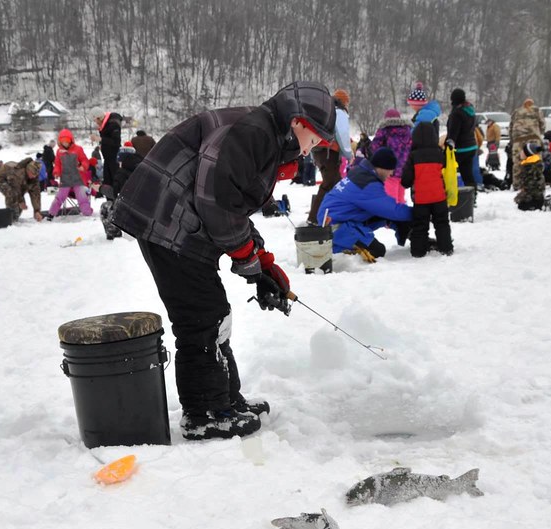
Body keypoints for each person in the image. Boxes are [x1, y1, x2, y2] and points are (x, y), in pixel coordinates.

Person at [109, 81, 335, 440]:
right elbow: (217, 203)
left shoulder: (266, 134)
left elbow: (235, 207)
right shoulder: (255, 133)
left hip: (180, 225)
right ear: (299, 121)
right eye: (318, 136)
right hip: (166, 223)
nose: (316, 147)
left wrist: (263, 263)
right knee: (201, 317)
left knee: (215, 315)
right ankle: (205, 413)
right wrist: (248, 261)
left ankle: (225, 401)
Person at [321, 147, 412, 260]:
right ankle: (338, 249)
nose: (392, 173)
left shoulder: (361, 173)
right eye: (390, 169)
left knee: (392, 217)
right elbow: (392, 209)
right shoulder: (367, 183)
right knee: (377, 251)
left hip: (341, 218)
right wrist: (420, 212)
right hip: (334, 226)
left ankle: (414, 236)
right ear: (382, 167)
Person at [401, 121, 450, 257]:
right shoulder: (440, 154)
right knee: (442, 224)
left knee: (420, 226)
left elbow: (406, 180)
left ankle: (418, 251)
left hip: (421, 199)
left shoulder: (413, 156)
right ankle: (446, 248)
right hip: (439, 196)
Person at [307, 88, 350, 225]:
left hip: (319, 152)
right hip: (329, 153)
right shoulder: (339, 113)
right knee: (331, 185)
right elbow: (342, 135)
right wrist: (349, 154)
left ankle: (329, 216)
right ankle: (315, 218)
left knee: (333, 185)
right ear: (344, 102)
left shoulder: (325, 111)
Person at [46, 129, 93, 219]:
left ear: (71, 140)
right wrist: (56, 172)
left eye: (67, 141)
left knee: (82, 197)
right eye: (63, 141)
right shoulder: (59, 151)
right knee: (59, 197)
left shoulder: (78, 149)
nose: (65, 143)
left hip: (78, 178)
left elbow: (84, 160)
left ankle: (87, 213)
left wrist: (83, 166)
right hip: (65, 179)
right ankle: (51, 214)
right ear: (60, 142)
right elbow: (57, 164)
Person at [369, 108, 412, 202]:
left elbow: (374, 146)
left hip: (389, 168)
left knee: (390, 198)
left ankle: (391, 216)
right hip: (404, 168)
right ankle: (401, 215)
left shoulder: (385, 130)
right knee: (400, 197)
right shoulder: (407, 131)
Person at [509, 98, 545, 191]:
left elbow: (511, 126)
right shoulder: (537, 110)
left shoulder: (516, 111)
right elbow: (543, 126)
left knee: (517, 161)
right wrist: (539, 133)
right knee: (536, 160)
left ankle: (517, 184)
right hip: (533, 138)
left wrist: (513, 140)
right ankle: (536, 182)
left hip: (518, 139)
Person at [0, 158, 44, 222]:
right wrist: (21, 201)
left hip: (17, 183)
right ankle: (10, 217)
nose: (34, 176)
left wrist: (37, 211)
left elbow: (36, 194)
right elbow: (15, 189)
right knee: (12, 194)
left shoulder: (34, 178)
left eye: (36, 174)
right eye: (33, 174)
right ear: (28, 170)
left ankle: (15, 216)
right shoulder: (17, 172)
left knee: (19, 202)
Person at [446, 88, 478, 189]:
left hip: (460, 149)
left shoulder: (457, 113)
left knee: (449, 172)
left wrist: (449, 144)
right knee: (467, 174)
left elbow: (453, 132)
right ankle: (472, 196)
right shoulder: (470, 110)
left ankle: (452, 195)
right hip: (471, 146)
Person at [514, 142, 551, 211]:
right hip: (536, 194)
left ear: (527, 153)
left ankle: (544, 203)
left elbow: (531, 186)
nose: (521, 152)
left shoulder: (529, 167)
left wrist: (523, 196)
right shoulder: (532, 163)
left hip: (535, 196)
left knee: (522, 206)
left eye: (523, 151)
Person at [91, 107, 123, 191]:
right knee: (107, 183)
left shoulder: (113, 124)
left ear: (99, 118)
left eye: (95, 120)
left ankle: (115, 201)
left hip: (114, 159)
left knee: (114, 182)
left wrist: (100, 139)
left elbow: (116, 142)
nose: (96, 123)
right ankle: (109, 201)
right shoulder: (104, 126)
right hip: (107, 158)